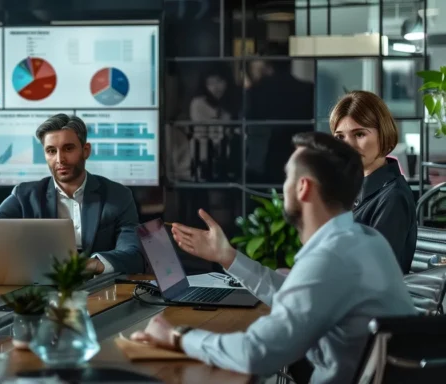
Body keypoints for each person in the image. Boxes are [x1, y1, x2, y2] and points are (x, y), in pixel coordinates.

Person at [130, 132, 416, 384]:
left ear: (303, 187)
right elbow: (297, 299)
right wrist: (227, 257)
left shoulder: (331, 257)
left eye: (287, 178)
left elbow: (258, 353)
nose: (283, 187)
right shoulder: (364, 240)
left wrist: (177, 338)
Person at [0, 113, 143, 274]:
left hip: (100, 289)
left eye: (68, 148)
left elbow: (133, 254)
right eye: (51, 151)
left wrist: (90, 265)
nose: (60, 159)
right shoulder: (24, 195)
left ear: (86, 150)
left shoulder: (118, 196)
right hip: (39, 287)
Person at [330, 90, 417, 273]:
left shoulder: (393, 197)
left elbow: (375, 272)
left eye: (359, 134)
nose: (348, 146)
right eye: (340, 137)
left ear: (383, 134)